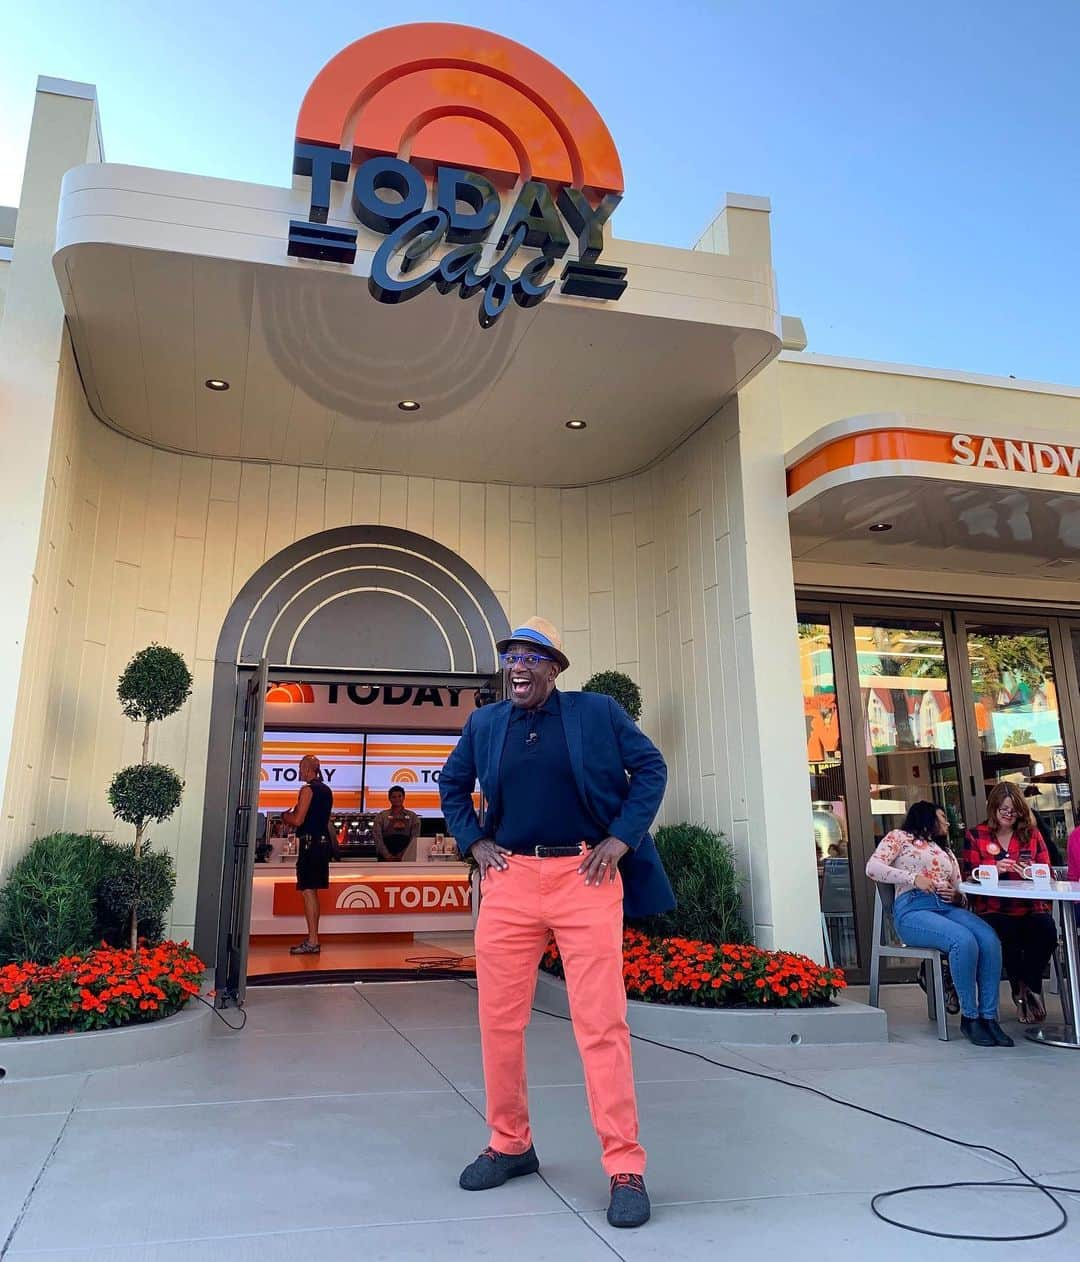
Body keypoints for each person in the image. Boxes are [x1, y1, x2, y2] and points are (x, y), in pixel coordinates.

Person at [439, 617, 672, 1230]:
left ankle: (624, 1166)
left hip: (586, 876)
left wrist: (621, 840)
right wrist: (474, 843)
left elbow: (651, 769)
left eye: (531, 656)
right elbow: (453, 784)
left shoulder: (596, 713)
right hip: (510, 879)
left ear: (554, 668)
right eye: (511, 655)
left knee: (601, 1023)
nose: (517, 664)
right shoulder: (486, 723)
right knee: (499, 1021)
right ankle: (510, 1143)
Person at [866, 801, 1012, 1047]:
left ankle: (989, 1016)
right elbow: (873, 867)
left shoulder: (945, 850)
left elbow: (959, 885)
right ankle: (970, 1016)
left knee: (989, 939)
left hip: (947, 906)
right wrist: (913, 878)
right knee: (962, 941)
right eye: (942, 816)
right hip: (912, 908)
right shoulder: (899, 837)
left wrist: (958, 896)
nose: (947, 822)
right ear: (926, 817)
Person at [963, 782, 1058, 1024]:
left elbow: (1047, 871)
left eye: (1014, 810)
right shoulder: (977, 835)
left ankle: (1030, 986)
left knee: (1047, 931)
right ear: (993, 808)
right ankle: (1022, 990)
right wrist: (993, 869)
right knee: (1004, 934)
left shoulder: (1032, 835)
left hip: (1030, 906)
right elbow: (968, 876)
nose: (1008, 815)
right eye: (1003, 810)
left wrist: (1032, 871)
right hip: (994, 906)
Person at [282, 753, 336, 955]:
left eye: (300, 767)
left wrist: (284, 816)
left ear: (307, 769)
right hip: (322, 845)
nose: (298, 771)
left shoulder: (307, 790)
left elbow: (298, 820)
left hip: (310, 845)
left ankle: (313, 940)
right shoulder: (327, 790)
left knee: (308, 891)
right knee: (311, 891)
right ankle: (313, 937)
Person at [373, 785, 421, 861]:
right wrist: (387, 855)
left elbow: (414, 838)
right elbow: (377, 837)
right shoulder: (382, 816)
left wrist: (404, 854)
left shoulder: (412, 816)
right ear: (389, 799)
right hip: (385, 858)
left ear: (404, 797)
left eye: (399, 796)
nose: (397, 799)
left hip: (406, 857)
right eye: (394, 797)